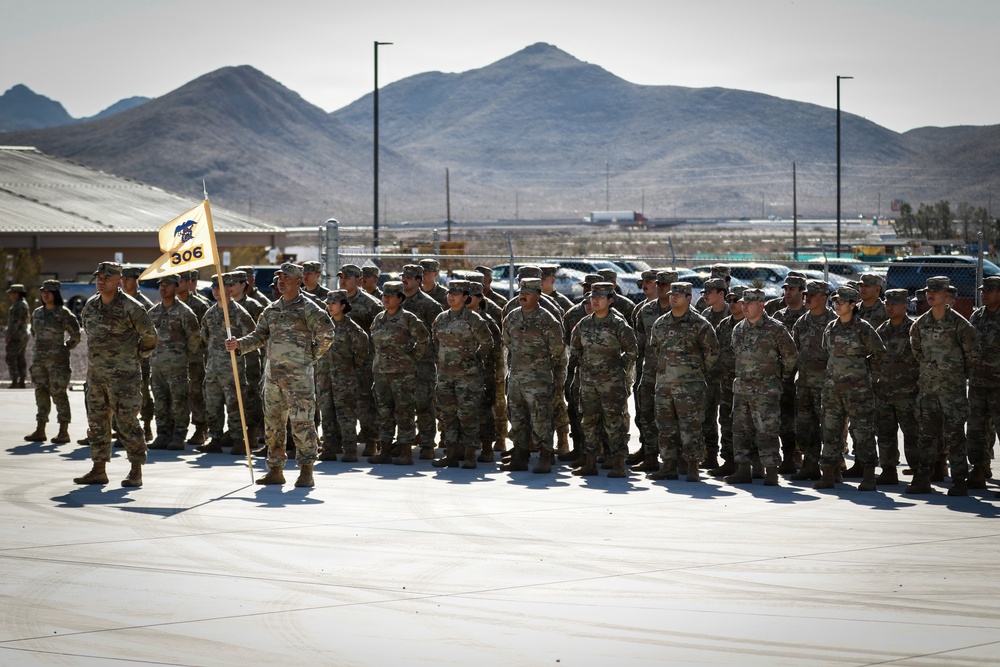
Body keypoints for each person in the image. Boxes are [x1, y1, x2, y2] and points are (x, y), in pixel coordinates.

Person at [226, 263, 335, 487]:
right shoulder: (271, 309)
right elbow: (259, 335)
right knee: (273, 424)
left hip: (298, 379)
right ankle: (275, 469)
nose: (281, 281)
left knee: (302, 423)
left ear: (299, 281)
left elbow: (327, 333)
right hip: (273, 377)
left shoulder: (308, 308)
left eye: (287, 277)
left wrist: (309, 357)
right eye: (279, 277)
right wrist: (239, 344)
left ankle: (306, 470)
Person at [73, 261, 158, 487]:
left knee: (127, 422)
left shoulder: (131, 307)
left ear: (119, 281)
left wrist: (134, 356)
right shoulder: (91, 306)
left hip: (125, 378)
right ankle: (98, 469)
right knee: (97, 423)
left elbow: (150, 336)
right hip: (96, 377)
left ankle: (135, 471)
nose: (101, 281)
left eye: (106, 278)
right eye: (99, 277)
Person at [908, 276, 980, 496]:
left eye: (936, 291)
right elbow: (917, 352)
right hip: (928, 390)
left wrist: (954, 374)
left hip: (952, 392)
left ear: (947, 295)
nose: (930, 294)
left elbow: (973, 355)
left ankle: (959, 479)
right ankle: (923, 477)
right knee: (926, 435)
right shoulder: (920, 323)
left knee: (955, 435)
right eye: (928, 290)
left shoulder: (960, 325)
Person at [814, 286, 885, 490]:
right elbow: (827, 352)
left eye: (842, 302)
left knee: (862, 431)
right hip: (832, 390)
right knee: (830, 431)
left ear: (853, 305)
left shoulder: (863, 328)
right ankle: (828, 474)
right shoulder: (830, 328)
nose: (837, 305)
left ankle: (869, 475)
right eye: (835, 301)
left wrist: (863, 372)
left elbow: (879, 354)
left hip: (858, 390)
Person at [647, 282, 719, 481]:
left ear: (689, 298)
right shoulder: (660, 323)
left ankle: (693, 467)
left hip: (690, 386)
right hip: (664, 384)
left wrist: (695, 372)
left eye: (679, 295)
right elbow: (655, 350)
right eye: (672, 294)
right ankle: (668, 465)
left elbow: (712, 353)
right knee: (665, 426)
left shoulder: (700, 324)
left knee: (691, 426)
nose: (673, 298)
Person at [726, 288, 797, 486]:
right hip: (742, 389)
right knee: (740, 431)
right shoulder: (739, 329)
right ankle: (743, 469)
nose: (745, 306)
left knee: (767, 431)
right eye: (743, 303)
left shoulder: (776, 329)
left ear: (761, 305)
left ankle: (771, 471)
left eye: (749, 303)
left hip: (766, 390)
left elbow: (791, 357)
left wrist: (778, 378)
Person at [568, 282, 638, 477]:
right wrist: (587, 365)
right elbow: (575, 348)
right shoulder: (584, 324)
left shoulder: (618, 323)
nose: (595, 300)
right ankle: (590, 462)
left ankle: (618, 463)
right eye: (593, 297)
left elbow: (632, 350)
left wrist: (618, 368)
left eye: (600, 297)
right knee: (589, 421)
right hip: (588, 382)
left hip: (612, 383)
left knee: (614, 422)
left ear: (610, 300)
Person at [501, 277, 566, 473]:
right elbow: (507, 341)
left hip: (539, 379)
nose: (523, 296)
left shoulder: (547, 320)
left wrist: (539, 364)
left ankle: (545, 456)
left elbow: (557, 349)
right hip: (516, 378)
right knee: (517, 416)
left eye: (528, 293)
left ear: (538, 296)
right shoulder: (512, 317)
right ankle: (520, 455)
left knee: (541, 417)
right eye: (521, 292)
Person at [430, 280, 494, 469]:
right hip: (445, 375)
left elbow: (488, 343)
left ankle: (469, 454)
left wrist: (473, 360)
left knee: (467, 415)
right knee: (448, 415)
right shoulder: (441, 318)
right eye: (450, 292)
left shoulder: (474, 319)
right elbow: (435, 342)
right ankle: (451, 453)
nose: (451, 296)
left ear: (465, 297)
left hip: (468, 377)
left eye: (456, 294)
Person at [367, 281, 429, 465]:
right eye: (384, 295)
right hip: (381, 373)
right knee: (384, 412)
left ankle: (405, 452)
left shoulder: (408, 318)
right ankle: (384, 450)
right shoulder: (379, 318)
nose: (385, 299)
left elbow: (424, 339)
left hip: (403, 375)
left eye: (390, 296)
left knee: (404, 412)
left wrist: (411, 359)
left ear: (400, 298)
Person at [197, 273, 256, 455]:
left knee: (235, 405)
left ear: (229, 289)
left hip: (233, 368)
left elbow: (253, 337)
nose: (215, 291)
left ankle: (238, 439)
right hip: (214, 367)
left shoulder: (239, 313)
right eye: (213, 288)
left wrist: (238, 344)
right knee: (212, 405)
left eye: (219, 288)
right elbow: (204, 337)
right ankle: (215, 438)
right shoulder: (211, 313)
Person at [629, 270, 677, 471]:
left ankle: (677, 458)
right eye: (659, 284)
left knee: (673, 417)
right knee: (645, 413)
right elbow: (638, 341)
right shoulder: (645, 311)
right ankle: (649, 454)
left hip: (674, 375)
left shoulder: (684, 312)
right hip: (649, 371)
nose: (660, 287)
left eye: (665, 285)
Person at [147, 274, 202, 451]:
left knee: (179, 401)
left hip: (178, 366)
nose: (163, 288)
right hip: (156, 366)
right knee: (160, 402)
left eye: (168, 285)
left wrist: (189, 361)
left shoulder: (185, 312)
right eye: (161, 285)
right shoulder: (153, 312)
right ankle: (163, 434)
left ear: (176, 287)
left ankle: (179, 435)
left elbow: (195, 339)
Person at [24, 280, 81, 444]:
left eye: (48, 291)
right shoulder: (37, 313)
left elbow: (76, 335)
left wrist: (64, 348)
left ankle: (63, 431)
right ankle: (40, 429)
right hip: (39, 361)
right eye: (43, 291)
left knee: (58, 393)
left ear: (55, 294)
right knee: (40, 392)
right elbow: (35, 333)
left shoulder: (64, 313)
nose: (45, 294)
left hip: (58, 362)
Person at [790, 280, 835, 481]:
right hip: (805, 383)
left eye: (812, 295)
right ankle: (809, 465)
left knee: (828, 428)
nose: (807, 298)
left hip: (826, 385)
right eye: (806, 295)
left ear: (823, 298)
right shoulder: (802, 322)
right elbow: (795, 351)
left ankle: (832, 469)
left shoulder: (833, 322)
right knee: (805, 428)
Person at [873, 289, 920, 486]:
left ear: (905, 306)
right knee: (885, 434)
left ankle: (919, 472)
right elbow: (874, 359)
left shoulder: (914, 329)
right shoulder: (881, 331)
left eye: (894, 303)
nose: (889, 307)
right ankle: (888, 470)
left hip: (908, 393)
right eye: (887, 303)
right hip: (884, 392)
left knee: (912, 434)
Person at [318, 289, 369, 463]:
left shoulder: (352, 329)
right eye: (328, 303)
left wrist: (349, 369)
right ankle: (329, 448)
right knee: (327, 413)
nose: (330, 306)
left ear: (343, 305)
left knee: (346, 415)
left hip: (344, 379)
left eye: (333, 303)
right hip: (324, 378)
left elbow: (362, 352)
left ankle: (350, 450)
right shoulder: (324, 326)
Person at [338, 263, 383, 455]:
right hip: (340, 360)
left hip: (364, 360)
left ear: (358, 280)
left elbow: (379, 332)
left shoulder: (370, 304)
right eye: (341, 277)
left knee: (365, 401)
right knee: (342, 402)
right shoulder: (333, 300)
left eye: (347, 278)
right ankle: (343, 439)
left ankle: (371, 440)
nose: (343, 281)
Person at [400, 264, 445, 456]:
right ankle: (405, 440)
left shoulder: (430, 305)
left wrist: (432, 358)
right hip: (400, 363)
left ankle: (427, 443)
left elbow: (438, 335)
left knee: (424, 403)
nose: (405, 279)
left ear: (419, 281)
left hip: (422, 363)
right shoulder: (396, 301)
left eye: (409, 277)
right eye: (403, 276)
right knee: (402, 404)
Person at [709, 285, 747, 477]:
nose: (731, 304)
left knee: (747, 425)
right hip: (725, 383)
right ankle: (729, 461)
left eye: (736, 300)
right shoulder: (723, 325)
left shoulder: (752, 325)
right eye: (730, 300)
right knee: (726, 421)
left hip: (748, 385)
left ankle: (752, 464)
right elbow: (713, 351)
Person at [967, 276, 1000, 490]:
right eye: (983, 290)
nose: (984, 293)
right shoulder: (976, 316)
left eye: (989, 290)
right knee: (976, 429)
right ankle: (979, 468)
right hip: (978, 383)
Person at [176, 269, 209, 446]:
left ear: (189, 283)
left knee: (196, 394)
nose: (176, 285)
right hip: (175, 359)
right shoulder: (170, 304)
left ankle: (201, 429)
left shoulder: (199, 305)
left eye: (179, 281)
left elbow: (206, 333)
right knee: (178, 396)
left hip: (195, 359)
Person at [699, 276, 730, 470]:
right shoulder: (704, 315)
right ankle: (710, 455)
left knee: (727, 417)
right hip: (709, 376)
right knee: (707, 417)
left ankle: (732, 458)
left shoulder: (733, 313)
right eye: (704, 292)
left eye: (709, 292)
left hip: (728, 376)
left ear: (721, 293)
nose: (705, 296)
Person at [121, 266, 154, 440]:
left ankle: (146, 426)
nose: (124, 281)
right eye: (123, 278)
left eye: (128, 278)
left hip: (139, 357)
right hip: (120, 358)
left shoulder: (144, 304)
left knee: (143, 392)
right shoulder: (117, 302)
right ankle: (122, 428)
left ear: (136, 281)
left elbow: (150, 334)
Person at [5, 284, 30, 388]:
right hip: (21, 335)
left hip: (17, 336)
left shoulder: (19, 306)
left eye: (12, 293)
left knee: (11, 357)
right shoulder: (21, 304)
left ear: (17, 294)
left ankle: (16, 380)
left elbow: (15, 323)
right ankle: (21, 380)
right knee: (20, 357)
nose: (10, 295)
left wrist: (9, 336)